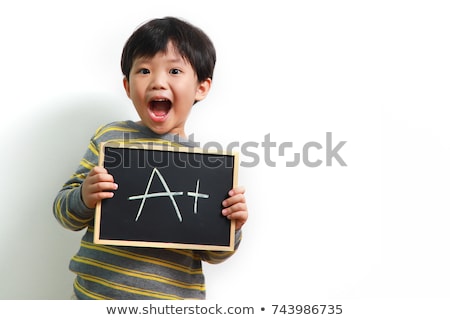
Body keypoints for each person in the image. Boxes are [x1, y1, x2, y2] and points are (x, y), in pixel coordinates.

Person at [53, 16, 248, 300]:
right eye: (144, 70)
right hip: (93, 298)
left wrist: (232, 225)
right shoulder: (110, 139)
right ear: (127, 86)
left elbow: (213, 254)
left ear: (201, 87)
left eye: (175, 71)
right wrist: (84, 195)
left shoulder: (207, 169)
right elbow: (64, 213)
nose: (158, 82)